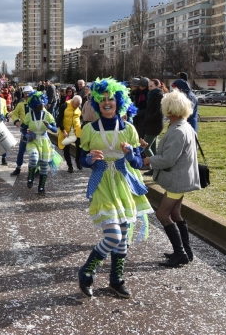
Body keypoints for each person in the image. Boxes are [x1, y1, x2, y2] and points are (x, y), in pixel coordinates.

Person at [77, 78, 152, 299]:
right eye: (103, 99)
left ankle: (116, 280)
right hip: (102, 183)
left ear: (119, 102)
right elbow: (82, 159)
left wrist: (130, 154)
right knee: (113, 236)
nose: (107, 103)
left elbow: (138, 163)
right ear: (98, 103)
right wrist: (90, 158)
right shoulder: (89, 130)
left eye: (111, 99)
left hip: (124, 183)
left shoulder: (129, 128)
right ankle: (86, 271)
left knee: (123, 239)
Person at [143, 90, 200, 267]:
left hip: (177, 181)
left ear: (169, 109)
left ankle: (180, 253)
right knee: (175, 213)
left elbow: (168, 159)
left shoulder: (178, 131)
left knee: (162, 214)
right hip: (182, 178)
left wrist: (148, 160)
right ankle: (185, 251)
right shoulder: (185, 126)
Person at [21, 91, 60, 194]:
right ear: (33, 105)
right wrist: (28, 135)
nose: (42, 105)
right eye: (39, 104)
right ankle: (30, 178)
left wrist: (49, 126)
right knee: (33, 158)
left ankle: (41, 187)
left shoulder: (47, 115)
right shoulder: (29, 115)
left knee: (44, 166)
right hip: (33, 141)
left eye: (43, 103)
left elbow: (56, 130)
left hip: (44, 141)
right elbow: (23, 129)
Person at [10, 85, 34, 176]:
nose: (27, 95)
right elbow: (14, 114)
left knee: (36, 151)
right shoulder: (20, 104)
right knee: (21, 150)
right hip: (25, 130)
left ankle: (36, 168)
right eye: (25, 93)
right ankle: (18, 167)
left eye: (29, 93)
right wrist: (16, 121)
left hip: (35, 130)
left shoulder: (36, 103)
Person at [142, 79, 165, 170]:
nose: (149, 88)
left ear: (157, 86)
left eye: (151, 86)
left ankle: (156, 168)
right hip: (152, 124)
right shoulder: (152, 95)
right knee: (153, 147)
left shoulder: (159, 95)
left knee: (146, 147)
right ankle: (157, 168)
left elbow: (159, 112)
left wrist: (147, 118)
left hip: (155, 124)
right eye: (148, 86)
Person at [57, 95, 82, 173]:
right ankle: (70, 166)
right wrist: (63, 131)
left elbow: (80, 117)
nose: (78, 106)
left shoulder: (79, 107)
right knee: (66, 148)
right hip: (66, 131)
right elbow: (58, 120)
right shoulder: (64, 106)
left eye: (79, 105)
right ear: (72, 102)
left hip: (76, 130)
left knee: (80, 146)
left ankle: (77, 160)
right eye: (77, 105)